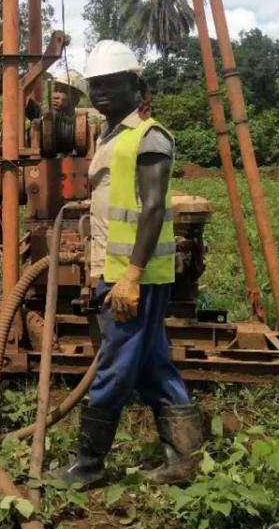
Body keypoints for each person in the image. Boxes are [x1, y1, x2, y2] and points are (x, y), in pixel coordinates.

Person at [50, 40, 203, 488]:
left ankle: (88, 466)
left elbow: (153, 208)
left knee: (116, 365)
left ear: (136, 87)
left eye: (111, 85)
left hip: (133, 275)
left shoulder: (149, 136)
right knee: (154, 362)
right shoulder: (110, 135)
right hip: (115, 270)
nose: (101, 94)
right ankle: (186, 457)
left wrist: (132, 276)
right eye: (95, 86)